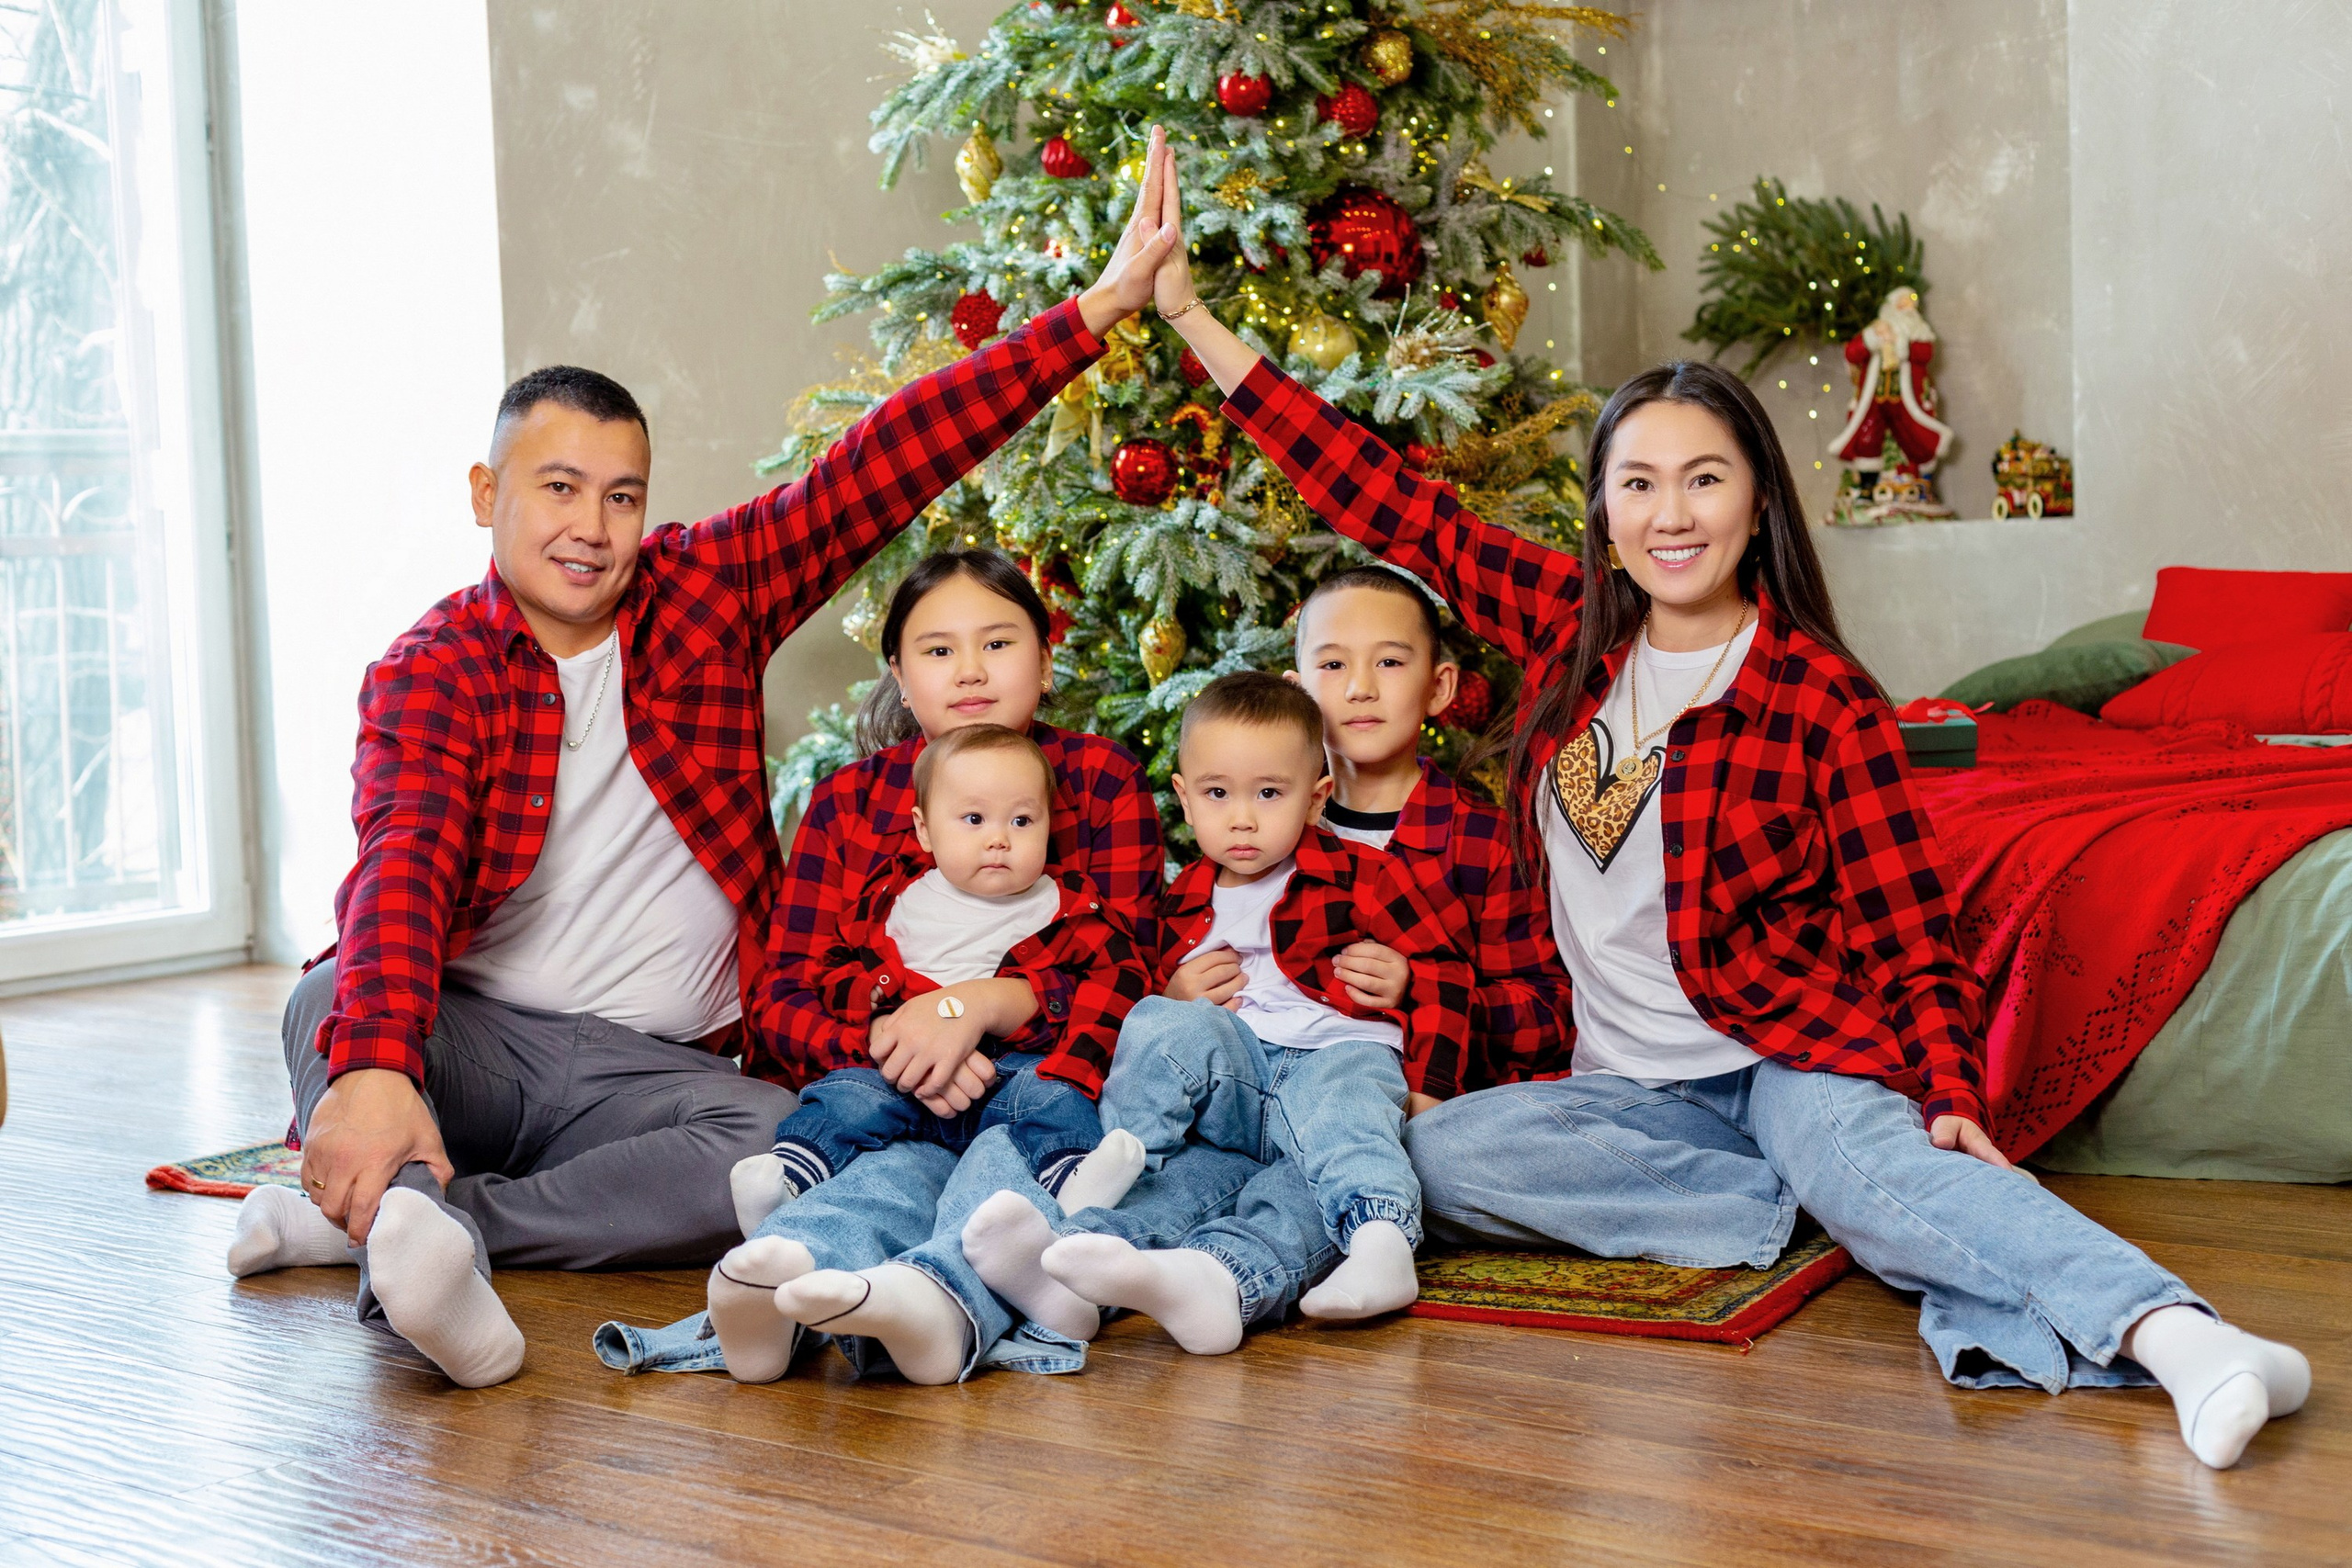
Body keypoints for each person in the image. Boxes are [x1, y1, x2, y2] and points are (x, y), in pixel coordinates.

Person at [1142, 161, 2312, 1469]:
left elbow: (1908, 922)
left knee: (1881, 1162)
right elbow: (1387, 498)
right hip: (1629, 1093)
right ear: (1604, 509)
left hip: (1782, 1052)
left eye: (1702, 479)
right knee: (1427, 1150)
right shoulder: (1575, 636)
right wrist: (1193, 317)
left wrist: (1944, 1088)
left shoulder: (1817, 694)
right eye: (1636, 484)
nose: (1669, 513)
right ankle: (1817, 1200)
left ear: (1757, 499)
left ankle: (2178, 1334)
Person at [224, 127, 1187, 1388]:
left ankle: (432, 1233)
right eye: (559, 488)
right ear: (486, 492)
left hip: (663, 1070)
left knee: (780, 1140)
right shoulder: (433, 666)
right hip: (485, 1040)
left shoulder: (705, 593)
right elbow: (402, 861)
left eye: (621, 494)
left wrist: (1095, 313)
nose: (593, 526)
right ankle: (400, 1203)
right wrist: (373, 1064)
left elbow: (879, 464)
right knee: (328, 999)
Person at [685, 548, 1166, 1386]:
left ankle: (932, 1296)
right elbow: (781, 999)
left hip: (1036, 1082)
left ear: (1047, 662)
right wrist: (901, 1040)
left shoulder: (1100, 779)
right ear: (901, 677)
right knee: (888, 1174)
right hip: (888, 1087)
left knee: (1001, 1179)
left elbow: (1133, 976)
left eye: (999, 643)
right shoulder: (847, 804)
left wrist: (979, 1005)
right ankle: (784, 1265)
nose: (971, 670)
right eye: (938, 650)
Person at [1017, 672, 1470, 1339]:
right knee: (1160, 1021)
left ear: (1316, 798)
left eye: (1269, 792)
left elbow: (1447, 975)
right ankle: (1103, 1196)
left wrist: (1427, 1086)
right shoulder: (1180, 902)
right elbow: (1141, 1011)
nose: (1243, 817)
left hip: (1333, 1061)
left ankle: (1369, 1245)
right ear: (1185, 797)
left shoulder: (1366, 875)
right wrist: (1171, 992)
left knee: (1307, 1183)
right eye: (1218, 793)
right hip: (1237, 1082)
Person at [748, 723, 1151, 1213]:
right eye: (974, 818)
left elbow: (1120, 979)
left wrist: (1069, 1068)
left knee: (1059, 1102)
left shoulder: (1067, 906)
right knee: (846, 1096)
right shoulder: (894, 898)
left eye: (1022, 822)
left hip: (1011, 1069)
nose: (999, 839)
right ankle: (789, 1176)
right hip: (896, 1066)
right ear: (924, 829)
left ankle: (1071, 1178)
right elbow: (835, 964)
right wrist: (873, 1014)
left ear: (1050, 825)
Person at [1286, 565, 1573, 1093]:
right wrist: (1183, 982)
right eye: (1332, 664)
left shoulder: (1487, 843)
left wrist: (1421, 988)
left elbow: (1550, 1014)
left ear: (1439, 688)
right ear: (1297, 692)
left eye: (1390, 661)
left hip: (1437, 1111)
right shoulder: (1270, 837)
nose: (1360, 688)